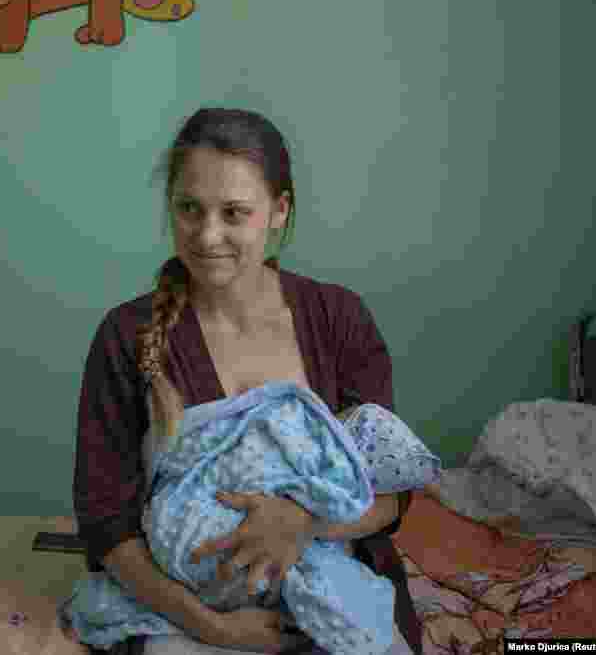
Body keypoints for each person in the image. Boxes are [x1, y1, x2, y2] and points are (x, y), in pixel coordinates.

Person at [71, 107, 424, 655]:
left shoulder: (339, 320)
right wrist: (212, 629)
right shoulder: (128, 336)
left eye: (234, 212)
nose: (207, 235)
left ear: (279, 211)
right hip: (185, 607)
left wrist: (301, 522)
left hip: (326, 591)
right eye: (189, 209)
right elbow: (106, 525)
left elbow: (390, 494)